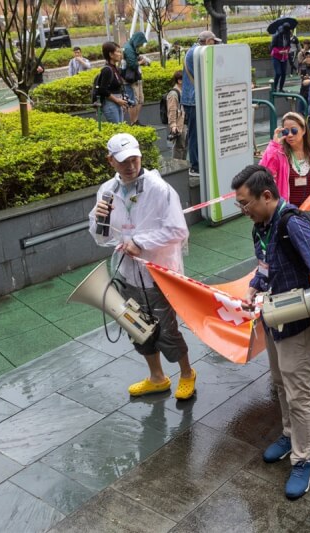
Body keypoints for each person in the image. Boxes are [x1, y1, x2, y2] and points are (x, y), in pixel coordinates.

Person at [233, 165, 310, 500]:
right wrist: (254, 286)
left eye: (245, 203)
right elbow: (265, 266)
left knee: (298, 393)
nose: (243, 210)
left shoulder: (292, 224)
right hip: (275, 319)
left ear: (267, 196)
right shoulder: (261, 227)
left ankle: (303, 459)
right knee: (280, 383)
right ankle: (288, 433)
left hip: (299, 324)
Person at [89, 133, 194, 399]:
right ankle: (157, 377)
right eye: (123, 160)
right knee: (138, 328)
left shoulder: (159, 189)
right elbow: (101, 237)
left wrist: (140, 241)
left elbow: (177, 230)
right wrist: (97, 220)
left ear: (141, 156)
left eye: (134, 158)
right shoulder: (106, 191)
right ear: (110, 160)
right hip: (128, 273)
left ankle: (186, 374)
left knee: (167, 329)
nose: (130, 165)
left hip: (159, 273)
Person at [259, 112, 310, 207]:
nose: (289, 135)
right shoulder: (278, 153)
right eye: (285, 131)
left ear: (304, 130)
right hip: (288, 213)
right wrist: (273, 147)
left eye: (294, 130)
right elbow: (263, 173)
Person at [182, 31, 222, 177]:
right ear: (208, 41)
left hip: (193, 99)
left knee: (198, 133)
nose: (215, 46)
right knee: (195, 134)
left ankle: (199, 163)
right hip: (194, 100)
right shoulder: (197, 53)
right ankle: (195, 166)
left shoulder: (194, 51)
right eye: (213, 42)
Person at [95, 41, 129, 124]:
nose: (120, 54)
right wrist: (117, 101)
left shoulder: (115, 68)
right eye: (118, 52)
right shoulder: (107, 69)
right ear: (110, 54)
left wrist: (121, 101)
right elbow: (103, 90)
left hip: (117, 102)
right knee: (117, 131)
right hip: (110, 104)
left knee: (120, 130)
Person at [122, 31, 149, 126]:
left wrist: (139, 58)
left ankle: (136, 120)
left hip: (136, 77)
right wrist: (141, 62)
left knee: (140, 99)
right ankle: (133, 122)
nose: (141, 45)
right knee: (134, 101)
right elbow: (132, 64)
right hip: (131, 79)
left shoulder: (133, 47)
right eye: (141, 43)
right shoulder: (128, 48)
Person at [166, 70, 186, 161]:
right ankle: (177, 165)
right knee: (179, 147)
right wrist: (173, 125)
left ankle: (183, 165)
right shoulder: (174, 94)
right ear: (179, 80)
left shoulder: (182, 91)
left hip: (183, 123)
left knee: (184, 146)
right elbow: (172, 110)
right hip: (178, 124)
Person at [271, 22, 293, 92]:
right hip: (276, 56)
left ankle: (281, 88)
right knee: (278, 73)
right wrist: (279, 52)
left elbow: (289, 45)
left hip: (284, 57)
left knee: (284, 73)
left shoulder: (287, 36)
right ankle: (274, 87)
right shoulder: (276, 36)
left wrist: (287, 50)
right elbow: (272, 47)